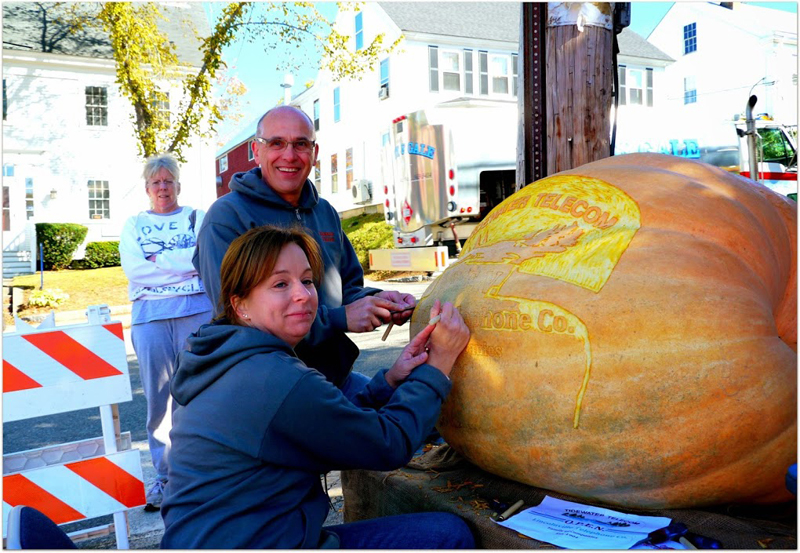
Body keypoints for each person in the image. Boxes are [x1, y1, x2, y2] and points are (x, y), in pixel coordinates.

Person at [161, 225, 473, 549]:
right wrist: (438, 364)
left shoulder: (224, 359)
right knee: (450, 535)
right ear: (240, 305)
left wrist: (392, 380)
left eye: (307, 281)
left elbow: (327, 426)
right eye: (280, 283)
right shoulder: (272, 378)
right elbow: (389, 444)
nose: (302, 295)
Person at [193, 105, 415, 395]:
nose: (289, 155)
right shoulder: (227, 218)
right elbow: (235, 319)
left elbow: (346, 288)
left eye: (301, 144)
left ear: (315, 152)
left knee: (408, 413)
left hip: (335, 379)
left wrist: (380, 302)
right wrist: (340, 318)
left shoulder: (324, 212)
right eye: (276, 143)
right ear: (256, 151)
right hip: (274, 389)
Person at [119, 153, 214, 511]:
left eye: (168, 181)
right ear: (147, 188)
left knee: (202, 393)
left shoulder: (196, 218)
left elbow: (202, 258)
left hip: (198, 312)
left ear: (178, 185)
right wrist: (184, 267)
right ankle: (164, 478)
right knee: (159, 400)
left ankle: (203, 474)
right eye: (156, 182)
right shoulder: (134, 224)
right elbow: (135, 271)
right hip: (150, 318)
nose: (163, 187)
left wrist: (161, 260)